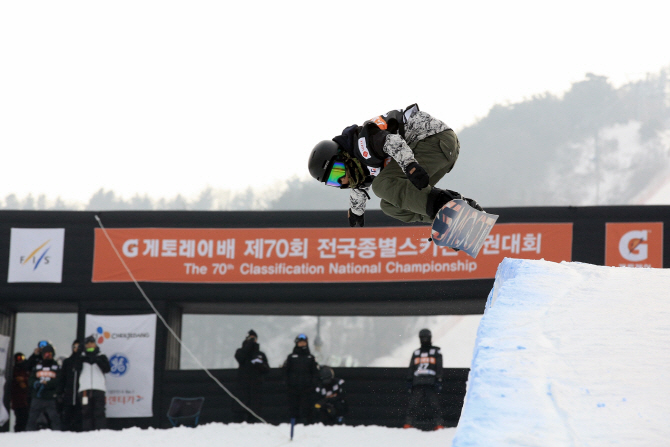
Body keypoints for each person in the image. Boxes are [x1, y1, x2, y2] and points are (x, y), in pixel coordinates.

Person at [308, 104, 482, 226]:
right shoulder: (358, 167)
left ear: (343, 156)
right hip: (441, 151)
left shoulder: (364, 143)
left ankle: (448, 207)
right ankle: (452, 217)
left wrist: (410, 166)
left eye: (338, 172)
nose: (343, 180)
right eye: (334, 181)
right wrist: (356, 212)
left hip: (432, 139)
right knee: (390, 206)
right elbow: (359, 188)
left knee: (382, 185)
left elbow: (392, 141)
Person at [404, 329, 444, 430]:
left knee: (435, 405)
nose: (425, 340)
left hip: (431, 383)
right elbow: (411, 368)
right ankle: (408, 423)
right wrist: (409, 381)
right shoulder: (416, 353)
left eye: (426, 337)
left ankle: (439, 424)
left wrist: (438, 380)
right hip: (418, 383)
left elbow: (439, 367)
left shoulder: (436, 351)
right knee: (413, 405)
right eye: (423, 338)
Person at [75, 335, 110, 431]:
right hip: (85, 389)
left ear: (95, 344)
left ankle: (101, 432)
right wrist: (79, 353)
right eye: (87, 344)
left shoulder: (101, 356)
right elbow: (76, 368)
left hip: (98, 388)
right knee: (86, 412)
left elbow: (107, 369)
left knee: (99, 412)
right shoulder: (82, 358)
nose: (90, 345)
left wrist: (96, 359)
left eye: (91, 343)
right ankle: (87, 432)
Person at [234, 330, 270, 422]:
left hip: (256, 386)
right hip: (243, 386)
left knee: (255, 410)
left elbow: (267, 369)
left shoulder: (260, 354)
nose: (252, 340)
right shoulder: (240, 351)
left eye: (254, 338)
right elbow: (240, 358)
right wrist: (248, 345)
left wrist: (259, 364)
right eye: (250, 338)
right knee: (241, 409)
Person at [283, 333, 319, 425]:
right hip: (293, 389)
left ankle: (307, 426)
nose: (302, 344)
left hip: (307, 390)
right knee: (293, 409)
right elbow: (285, 372)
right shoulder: (291, 357)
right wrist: (288, 385)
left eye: (304, 342)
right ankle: (293, 425)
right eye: (300, 342)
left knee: (307, 409)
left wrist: (312, 386)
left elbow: (315, 373)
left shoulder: (310, 358)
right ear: (297, 343)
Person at [26, 344, 63, 431]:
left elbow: (59, 381)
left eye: (49, 354)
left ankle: (58, 437)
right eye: (45, 354)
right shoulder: (37, 367)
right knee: (32, 419)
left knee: (55, 419)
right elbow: (30, 380)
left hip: (50, 398)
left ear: (53, 355)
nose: (47, 356)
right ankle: (27, 437)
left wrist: (47, 384)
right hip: (37, 397)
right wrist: (36, 383)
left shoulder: (57, 367)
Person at [61, 340, 82, 432]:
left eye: (78, 347)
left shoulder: (84, 361)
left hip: (80, 395)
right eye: (74, 347)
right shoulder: (67, 362)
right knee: (67, 417)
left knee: (79, 417)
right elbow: (62, 378)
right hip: (69, 395)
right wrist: (60, 392)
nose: (76, 349)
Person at [10, 352, 31, 432]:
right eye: (18, 358)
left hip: (26, 400)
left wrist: (24, 380)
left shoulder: (27, 369)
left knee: (26, 419)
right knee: (20, 420)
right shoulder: (13, 371)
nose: (20, 360)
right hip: (17, 401)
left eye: (21, 358)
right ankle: (18, 435)